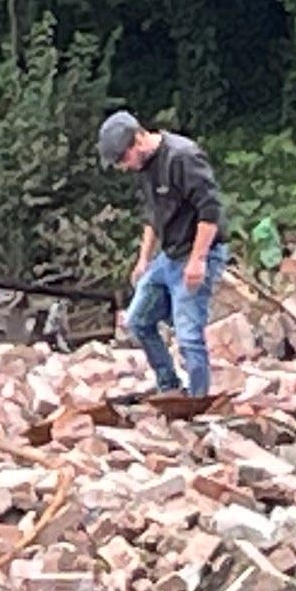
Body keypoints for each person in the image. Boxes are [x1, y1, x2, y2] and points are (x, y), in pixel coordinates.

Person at [100, 109, 225, 399]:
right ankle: (168, 386)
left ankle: (198, 400)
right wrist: (143, 259)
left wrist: (198, 260)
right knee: (138, 320)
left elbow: (211, 210)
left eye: (122, 159)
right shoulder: (144, 169)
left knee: (188, 335)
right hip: (168, 256)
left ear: (138, 140)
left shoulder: (183, 157)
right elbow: (152, 215)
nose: (123, 167)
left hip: (197, 251)